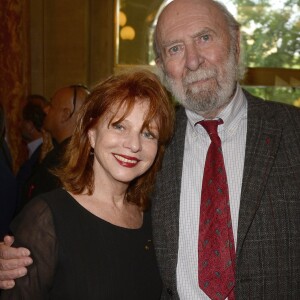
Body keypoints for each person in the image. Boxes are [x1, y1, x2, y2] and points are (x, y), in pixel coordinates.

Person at [1, 0, 300, 298]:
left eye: (204, 38)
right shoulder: (157, 149)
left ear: (235, 41)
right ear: (161, 65)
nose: (193, 61)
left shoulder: (292, 131)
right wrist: (18, 258)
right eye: (175, 49)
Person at [0, 69, 174, 299]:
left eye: (148, 134)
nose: (134, 145)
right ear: (91, 133)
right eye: (119, 126)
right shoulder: (46, 218)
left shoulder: (155, 221)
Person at [18, 84, 90, 210]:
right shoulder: (64, 151)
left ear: (65, 115)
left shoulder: (65, 159)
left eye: (51, 105)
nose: (45, 110)